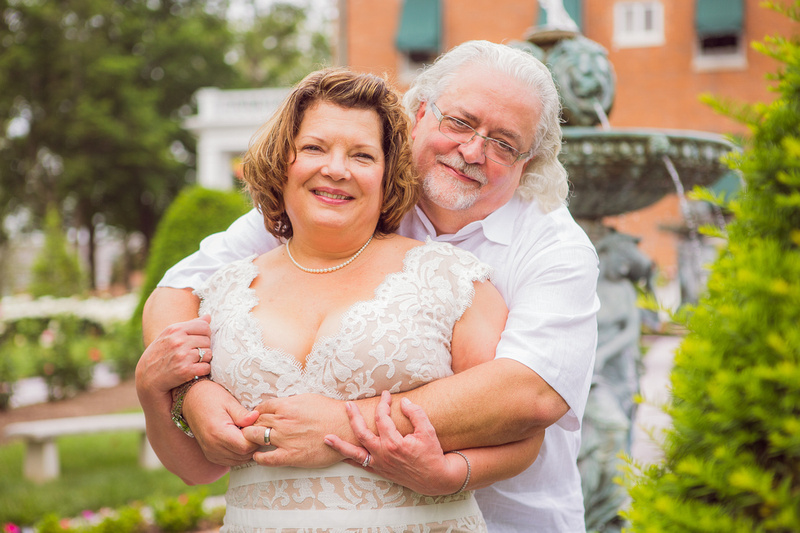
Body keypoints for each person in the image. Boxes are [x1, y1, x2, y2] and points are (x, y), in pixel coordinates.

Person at [137, 40, 600, 532]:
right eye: (460, 122)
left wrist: (341, 425)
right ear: (420, 113)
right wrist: (191, 391)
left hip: (513, 520)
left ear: (529, 161)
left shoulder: (556, 249)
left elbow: (530, 395)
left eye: (504, 143)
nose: (472, 151)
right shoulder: (335, 201)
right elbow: (179, 290)